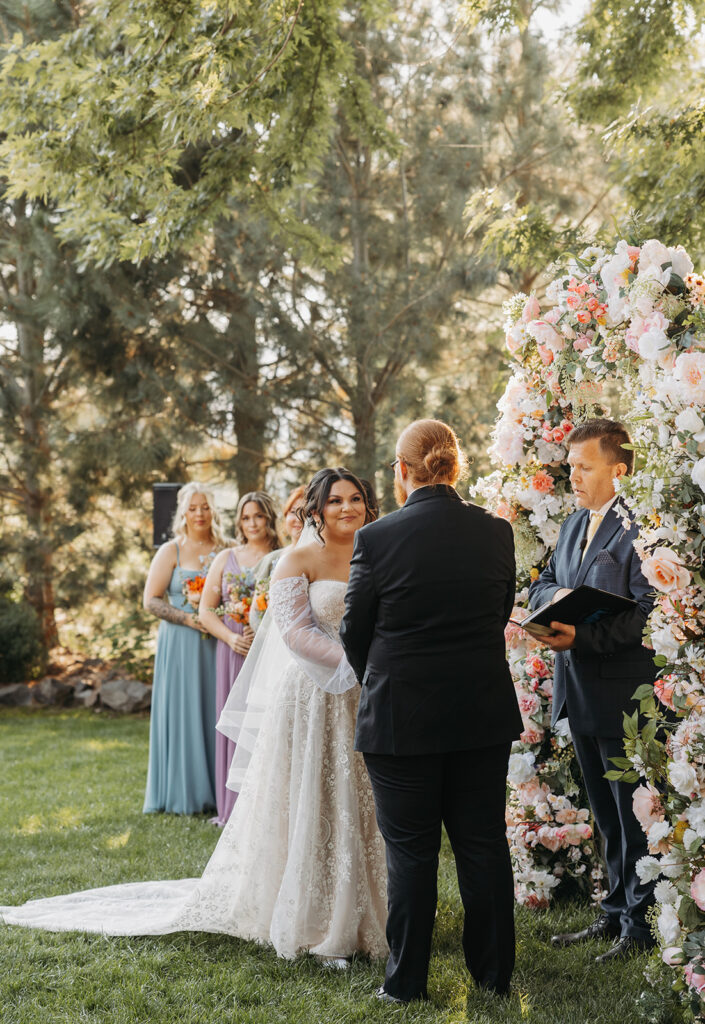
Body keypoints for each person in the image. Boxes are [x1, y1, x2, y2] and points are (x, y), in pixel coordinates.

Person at [1, 469, 387, 966]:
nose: (347, 508)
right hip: (313, 698)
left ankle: (364, 912)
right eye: (335, 501)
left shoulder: (373, 553)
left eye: (356, 499)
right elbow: (295, 633)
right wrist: (363, 663)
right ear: (316, 509)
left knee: (359, 798)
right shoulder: (297, 559)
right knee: (313, 797)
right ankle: (314, 920)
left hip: (365, 698)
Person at [340, 419, 522, 1004]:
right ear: (454, 466)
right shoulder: (496, 533)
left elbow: (354, 632)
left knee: (411, 854)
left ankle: (406, 984)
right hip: (480, 713)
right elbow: (499, 611)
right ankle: (493, 978)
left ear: (401, 471)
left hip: (400, 718)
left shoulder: (377, 539)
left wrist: (390, 675)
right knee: (484, 846)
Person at [528, 418, 657, 961]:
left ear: (618, 469)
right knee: (605, 816)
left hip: (621, 694)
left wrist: (582, 631)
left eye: (584, 466)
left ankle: (638, 926)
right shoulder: (572, 524)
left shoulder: (640, 528)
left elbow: (646, 615)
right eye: (571, 466)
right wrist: (556, 596)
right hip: (575, 689)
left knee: (632, 817)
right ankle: (612, 914)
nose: (573, 476)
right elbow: (540, 584)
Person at [142, 482, 225, 815]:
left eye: (205, 507)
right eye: (193, 508)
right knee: (184, 711)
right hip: (180, 643)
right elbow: (150, 600)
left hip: (215, 641)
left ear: (213, 510)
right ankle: (182, 793)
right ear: (183, 513)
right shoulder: (171, 551)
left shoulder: (225, 549)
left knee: (213, 709)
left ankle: (218, 789)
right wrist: (188, 619)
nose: (200, 514)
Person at [199, 491, 280, 826]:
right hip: (232, 650)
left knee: (266, 725)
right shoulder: (226, 558)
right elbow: (205, 610)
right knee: (233, 726)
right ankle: (231, 808)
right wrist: (231, 637)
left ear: (269, 518)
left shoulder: (282, 556)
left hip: (269, 650)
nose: (252, 524)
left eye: (258, 516)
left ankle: (266, 808)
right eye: (246, 518)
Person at [249, 484, 306, 632]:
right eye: (293, 512)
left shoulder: (322, 559)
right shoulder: (271, 560)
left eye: (306, 513)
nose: (299, 518)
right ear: (285, 515)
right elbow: (255, 613)